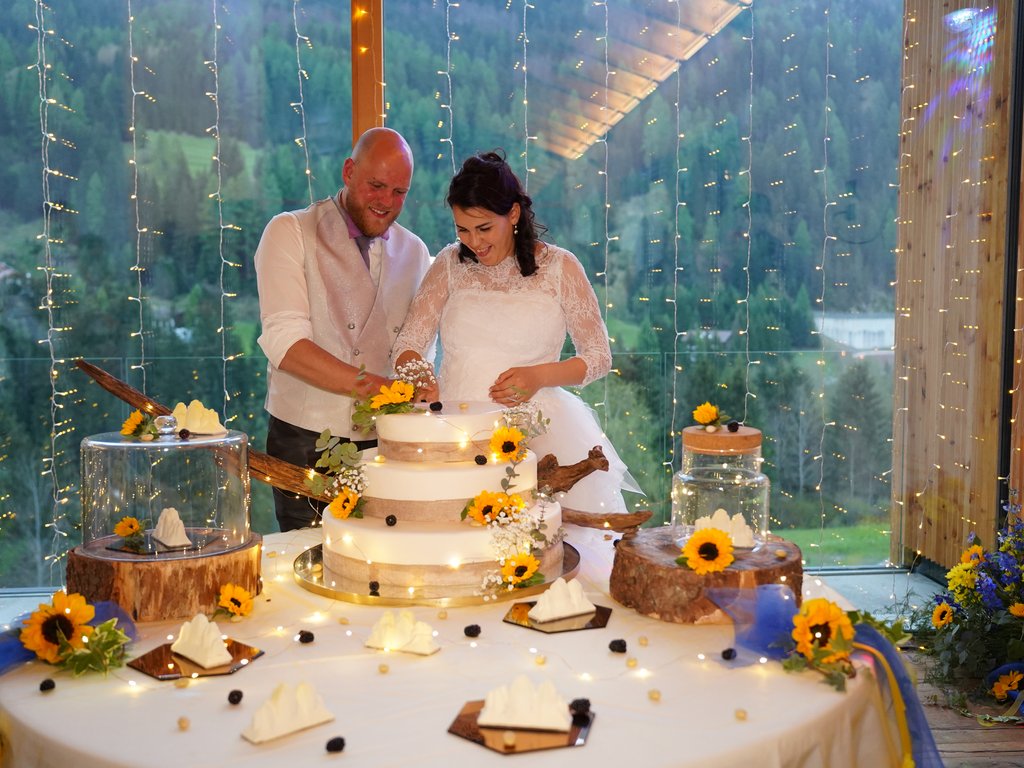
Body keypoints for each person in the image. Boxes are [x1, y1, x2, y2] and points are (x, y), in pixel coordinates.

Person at [394, 150, 641, 515]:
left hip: (539, 434)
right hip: (456, 430)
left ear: (512, 214)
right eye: (462, 229)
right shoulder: (448, 263)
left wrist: (539, 375)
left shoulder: (560, 267)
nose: (473, 243)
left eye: (483, 228)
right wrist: (420, 374)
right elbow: (408, 343)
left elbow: (599, 356)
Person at [255, 127, 431, 531]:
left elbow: (417, 345)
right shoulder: (289, 231)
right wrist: (375, 386)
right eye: (376, 185)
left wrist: (419, 380)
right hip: (304, 441)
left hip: (386, 443)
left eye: (399, 192)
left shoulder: (416, 251)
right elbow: (285, 342)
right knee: (311, 561)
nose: (386, 202)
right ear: (348, 171)